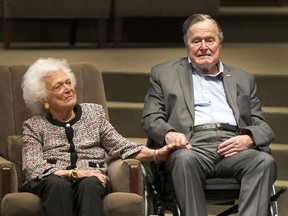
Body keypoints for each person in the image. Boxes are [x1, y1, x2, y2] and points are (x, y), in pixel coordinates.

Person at [141, 14, 277, 216]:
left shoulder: (243, 79)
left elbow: (263, 126)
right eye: (196, 41)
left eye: (209, 40)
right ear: (187, 45)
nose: (203, 47)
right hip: (191, 145)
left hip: (233, 147)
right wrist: (170, 134)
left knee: (263, 162)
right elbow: (150, 117)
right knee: (183, 159)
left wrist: (248, 138)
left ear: (219, 43)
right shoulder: (164, 74)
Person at [21, 58, 174, 216]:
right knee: (57, 185)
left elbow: (120, 145)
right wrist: (74, 173)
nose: (68, 89)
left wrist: (156, 154)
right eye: (58, 86)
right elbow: (32, 167)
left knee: (91, 183)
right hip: (51, 181)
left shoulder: (94, 114)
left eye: (68, 82)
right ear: (44, 99)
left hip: (91, 178)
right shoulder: (33, 126)